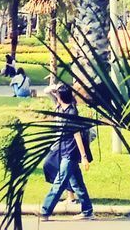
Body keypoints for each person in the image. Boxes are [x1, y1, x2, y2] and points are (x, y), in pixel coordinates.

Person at [40, 84, 94, 220]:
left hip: (70, 153)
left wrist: (84, 156)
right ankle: (87, 211)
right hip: (63, 150)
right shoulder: (60, 108)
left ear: (60, 97)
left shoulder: (71, 112)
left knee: (59, 182)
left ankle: (45, 211)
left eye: (57, 95)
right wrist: (57, 88)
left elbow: (77, 135)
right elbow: (48, 90)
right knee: (77, 183)